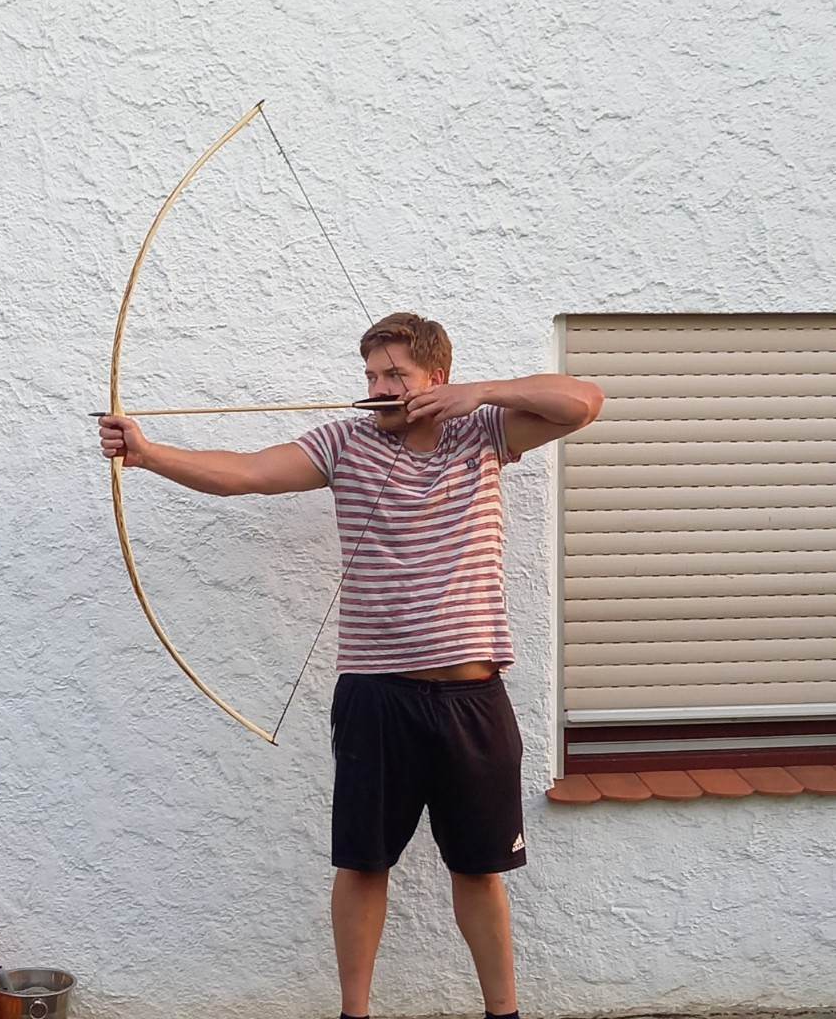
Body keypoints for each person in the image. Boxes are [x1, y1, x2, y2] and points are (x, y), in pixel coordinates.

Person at [98, 312, 604, 1019]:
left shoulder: (484, 432)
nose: (379, 387)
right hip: (376, 696)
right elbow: (247, 473)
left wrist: (482, 393)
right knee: (363, 864)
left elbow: (584, 402)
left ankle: (504, 1014)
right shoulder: (344, 442)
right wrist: (149, 455)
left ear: (436, 378)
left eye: (395, 374)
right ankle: (353, 1014)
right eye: (371, 374)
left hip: (472, 697)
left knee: (479, 868)